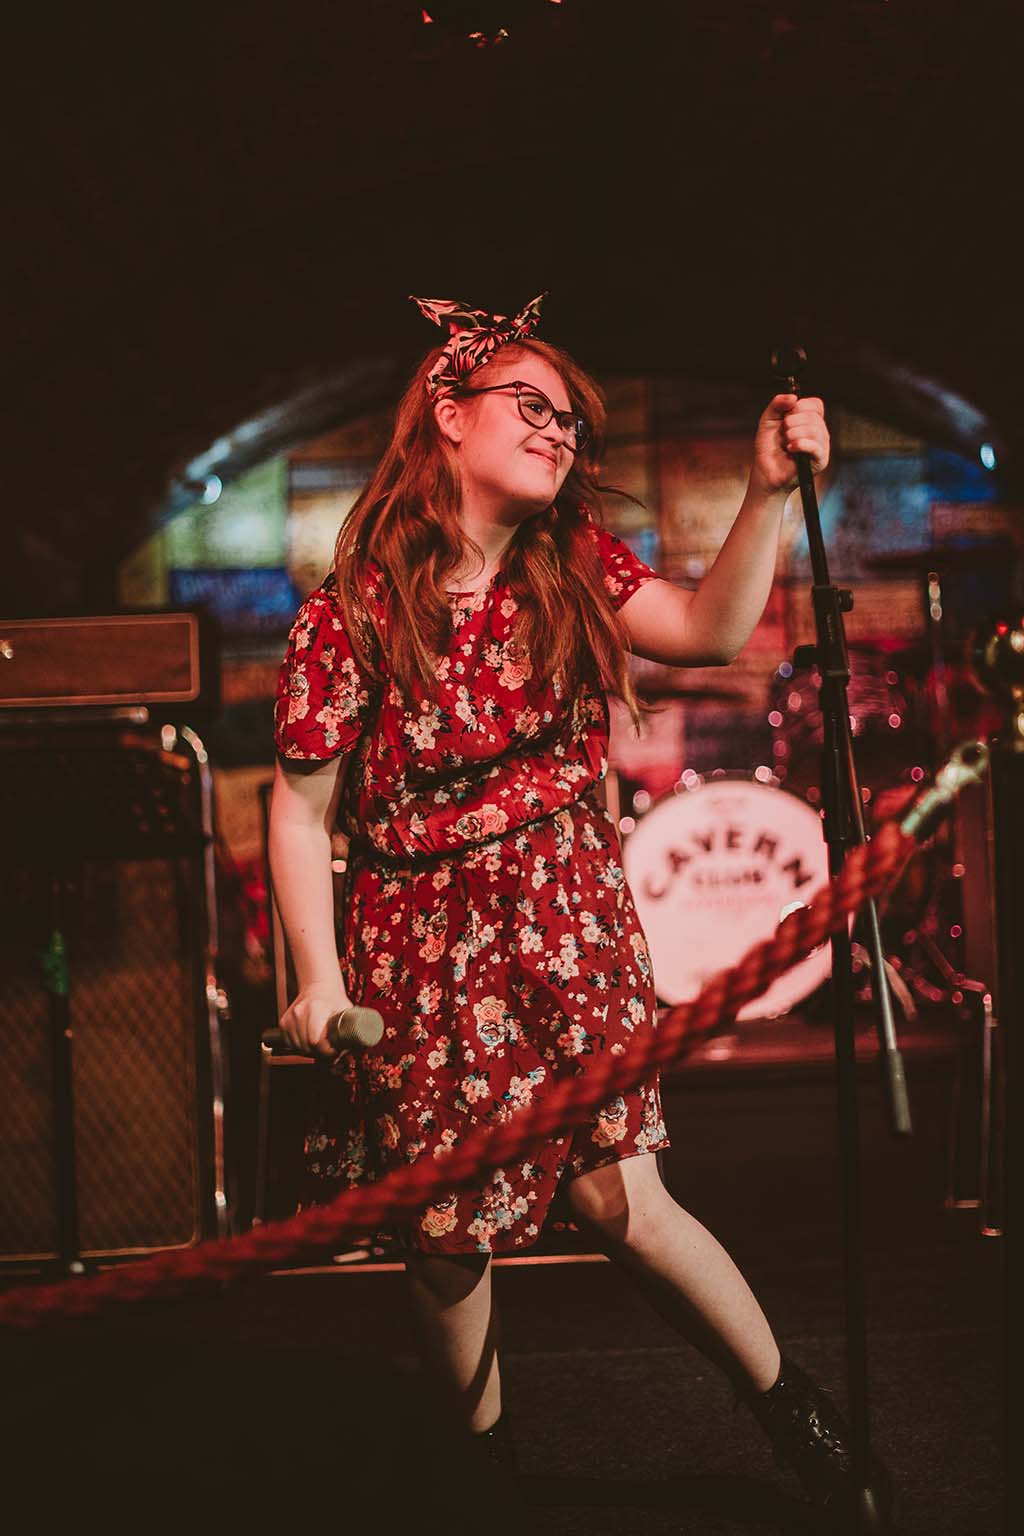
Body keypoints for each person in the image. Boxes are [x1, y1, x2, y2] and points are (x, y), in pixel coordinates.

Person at [268, 292, 876, 1511]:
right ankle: (482, 1481)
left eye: (568, 421)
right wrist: (317, 978)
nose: (556, 434)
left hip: (564, 909)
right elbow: (299, 810)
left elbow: (709, 631)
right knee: (448, 1234)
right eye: (529, 409)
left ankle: (797, 1416)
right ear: (447, 416)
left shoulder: (575, 566)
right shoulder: (353, 609)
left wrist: (763, 493)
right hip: (420, 935)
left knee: (621, 1195)